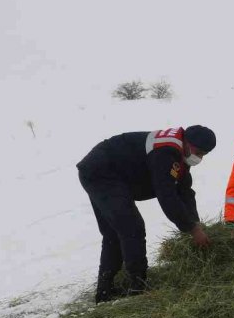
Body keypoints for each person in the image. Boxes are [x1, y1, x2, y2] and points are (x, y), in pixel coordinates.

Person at [77, 125, 216, 303]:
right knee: (131, 227)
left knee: (115, 232)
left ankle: (105, 292)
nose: (199, 158)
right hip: (101, 172)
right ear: (188, 142)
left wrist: (195, 223)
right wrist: (192, 229)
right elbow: (167, 196)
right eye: (199, 152)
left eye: (204, 155)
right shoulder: (166, 152)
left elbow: (185, 191)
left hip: (108, 171)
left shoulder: (179, 152)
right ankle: (138, 288)